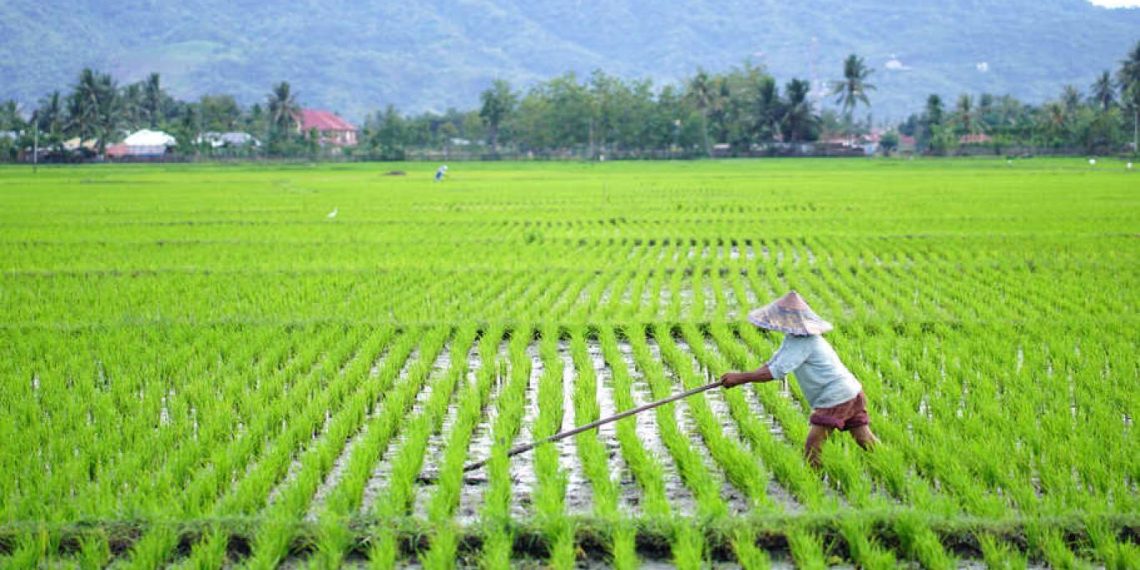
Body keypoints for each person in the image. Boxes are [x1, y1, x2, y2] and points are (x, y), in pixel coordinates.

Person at [720, 291, 878, 469]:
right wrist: (738, 376)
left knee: (813, 444)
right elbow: (772, 364)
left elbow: (776, 372)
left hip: (837, 396)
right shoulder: (793, 339)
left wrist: (740, 378)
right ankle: (886, 462)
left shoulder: (805, 342)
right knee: (864, 438)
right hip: (850, 391)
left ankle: (814, 481)